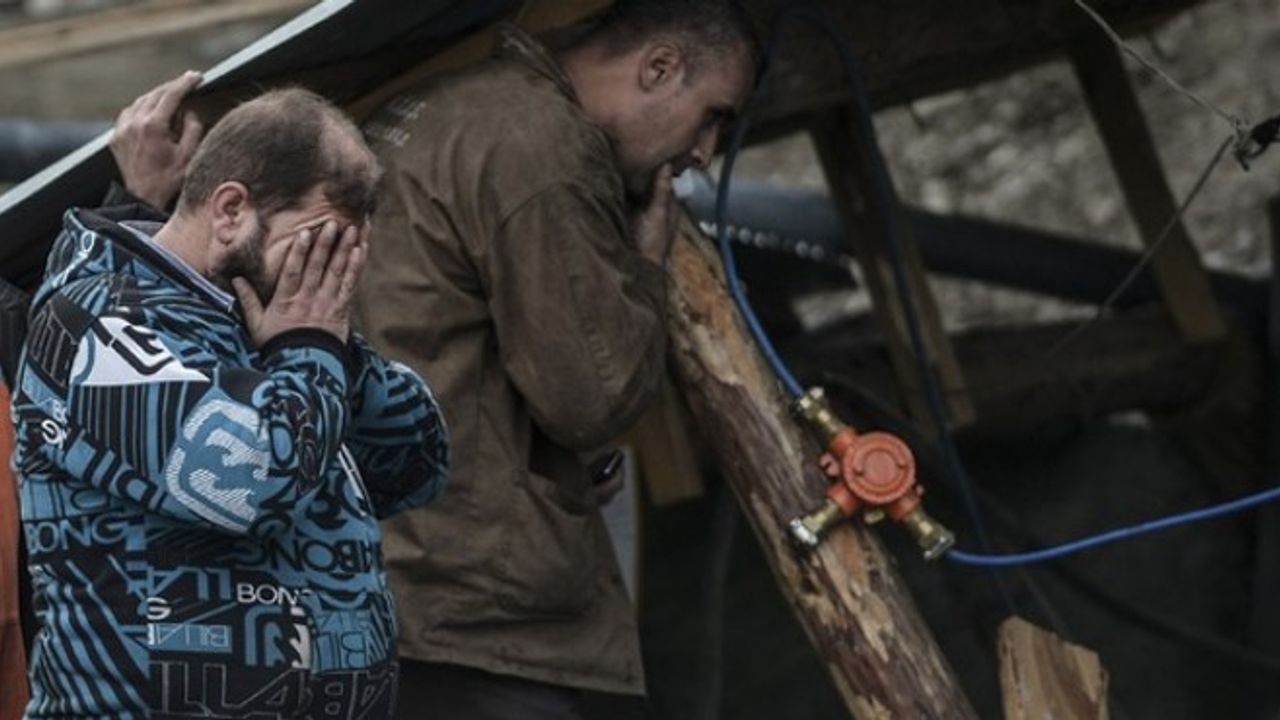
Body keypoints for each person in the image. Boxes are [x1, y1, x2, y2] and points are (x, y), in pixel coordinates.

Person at [356, 0, 757, 715]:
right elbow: (592, 400)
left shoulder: (444, 108)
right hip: (468, 606)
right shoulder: (542, 146)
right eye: (711, 115)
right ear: (660, 67)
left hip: (380, 575)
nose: (704, 152)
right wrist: (646, 266)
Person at [11, 87, 449, 719]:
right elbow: (249, 483)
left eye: (345, 253)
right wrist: (308, 347)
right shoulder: (93, 322)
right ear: (231, 210)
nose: (326, 271)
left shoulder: (280, 326)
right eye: (316, 243)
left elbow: (416, 466)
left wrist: (333, 352)